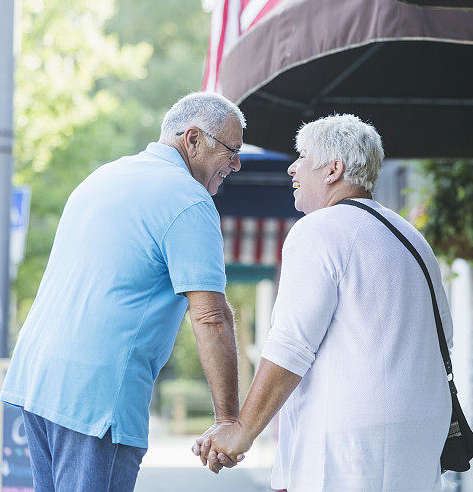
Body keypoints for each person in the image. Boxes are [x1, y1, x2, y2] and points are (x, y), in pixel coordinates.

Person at [193, 114, 455, 491]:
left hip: (349, 447)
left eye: (301, 156)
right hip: (419, 437)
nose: (292, 167)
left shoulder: (319, 230)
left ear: (334, 169)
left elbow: (290, 346)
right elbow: (443, 338)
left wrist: (242, 431)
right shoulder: (413, 238)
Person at [1, 91, 246, 491]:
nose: (236, 164)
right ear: (193, 139)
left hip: (37, 381)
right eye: (230, 150)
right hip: (97, 398)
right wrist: (227, 420)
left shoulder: (105, 176)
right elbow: (210, 316)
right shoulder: (188, 199)